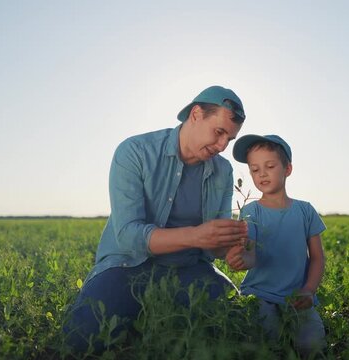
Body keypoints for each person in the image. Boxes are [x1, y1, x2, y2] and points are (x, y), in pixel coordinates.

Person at [64, 85, 249, 352]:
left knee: (238, 326)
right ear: (196, 114)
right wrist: (197, 235)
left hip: (190, 269)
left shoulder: (223, 170)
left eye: (229, 140)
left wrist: (230, 246)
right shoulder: (135, 151)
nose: (221, 146)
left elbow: (214, 247)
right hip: (128, 266)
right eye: (219, 132)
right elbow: (128, 236)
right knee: (82, 339)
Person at [226, 134, 327, 356]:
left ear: (287, 169)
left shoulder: (305, 210)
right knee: (266, 342)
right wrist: (241, 260)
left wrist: (309, 290)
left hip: (298, 297)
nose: (261, 173)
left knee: (312, 344)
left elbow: (318, 257)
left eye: (269, 166)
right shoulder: (250, 211)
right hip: (259, 294)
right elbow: (251, 255)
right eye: (254, 169)